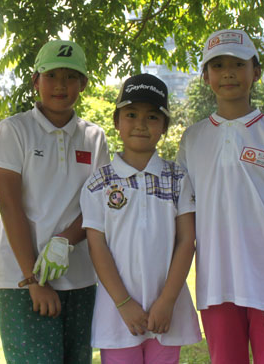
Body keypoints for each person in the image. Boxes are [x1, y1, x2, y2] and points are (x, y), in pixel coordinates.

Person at [177, 29, 264, 364]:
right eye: (218, 65)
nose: (228, 73)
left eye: (238, 64)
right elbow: (183, 215)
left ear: (256, 72)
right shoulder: (192, 138)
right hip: (217, 282)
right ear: (206, 76)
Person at [0, 39, 110, 363]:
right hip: (21, 281)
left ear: (83, 83)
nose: (61, 85)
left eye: (71, 77)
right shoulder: (14, 130)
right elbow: (9, 205)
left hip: (81, 279)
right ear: (35, 81)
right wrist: (33, 279)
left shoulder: (94, 137)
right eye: (52, 75)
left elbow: (98, 205)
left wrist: (65, 240)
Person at [80, 74, 202, 364]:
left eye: (152, 117)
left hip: (167, 313)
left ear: (164, 126)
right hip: (117, 316)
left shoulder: (178, 178)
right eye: (131, 114)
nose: (140, 124)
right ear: (117, 121)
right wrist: (123, 303)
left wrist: (167, 301)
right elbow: (97, 247)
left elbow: (187, 241)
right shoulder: (98, 183)